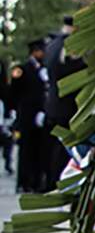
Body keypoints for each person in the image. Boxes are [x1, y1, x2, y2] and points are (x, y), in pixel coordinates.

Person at [44, 16, 85, 188]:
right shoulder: (69, 45)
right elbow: (73, 70)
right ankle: (62, 183)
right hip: (68, 105)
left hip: (54, 104)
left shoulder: (53, 44)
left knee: (56, 148)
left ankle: (52, 181)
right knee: (66, 150)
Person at [15, 40, 49, 193]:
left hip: (40, 115)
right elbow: (14, 93)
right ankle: (24, 182)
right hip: (27, 116)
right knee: (26, 151)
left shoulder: (44, 69)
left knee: (39, 150)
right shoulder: (23, 69)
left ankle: (37, 181)